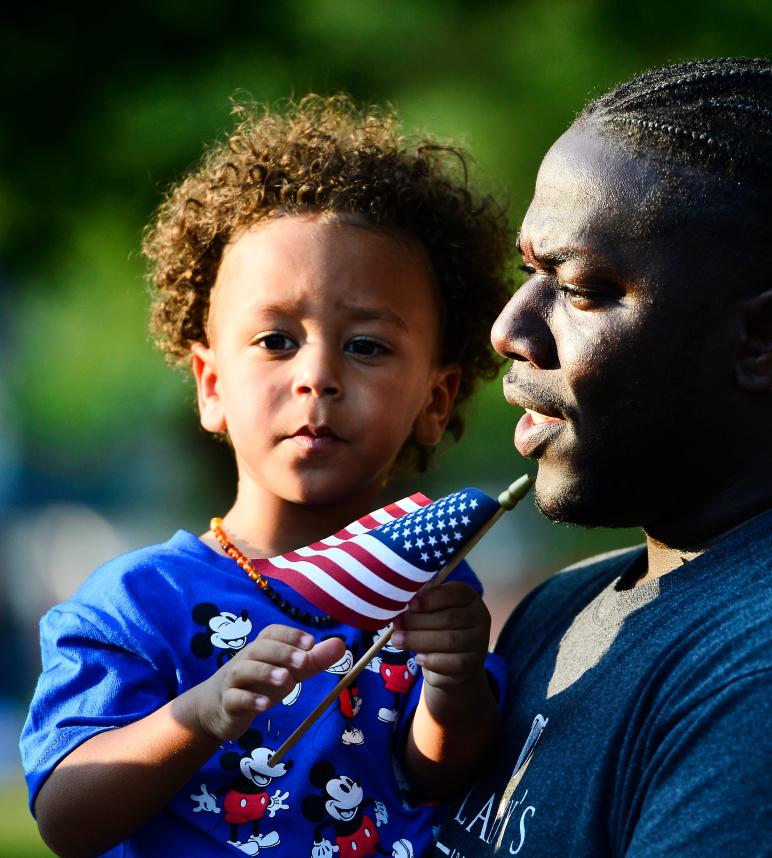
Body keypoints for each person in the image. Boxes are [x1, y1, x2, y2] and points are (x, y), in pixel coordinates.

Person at [433, 58, 772, 856]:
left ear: (764, 338)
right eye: (527, 272)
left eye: (578, 288)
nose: (511, 329)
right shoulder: (562, 607)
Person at [21, 95, 513, 858]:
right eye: (277, 339)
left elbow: (438, 779)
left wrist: (454, 685)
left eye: (369, 347)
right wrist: (202, 713)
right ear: (211, 386)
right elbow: (65, 817)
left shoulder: (428, 576)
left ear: (436, 397)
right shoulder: (139, 603)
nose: (317, 376)